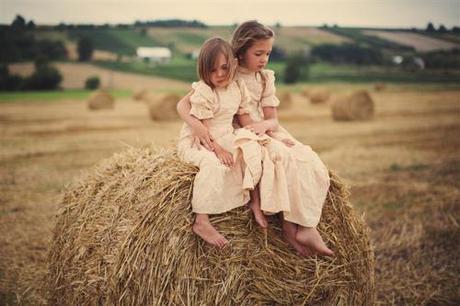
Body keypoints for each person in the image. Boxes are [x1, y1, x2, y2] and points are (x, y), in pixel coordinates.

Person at [177, 21, 333, 257]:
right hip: (230, 133)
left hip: (258, 129)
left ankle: (304, 225)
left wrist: (268, 134)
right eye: (259, 53)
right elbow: (183, 105)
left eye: (268, 53)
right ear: (240, 51)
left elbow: (268, 120)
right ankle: (285, 225)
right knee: (274, 157)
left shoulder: (259, 78)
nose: (264, 59)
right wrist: (198, 128)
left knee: (306, 160)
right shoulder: (225, 73)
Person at [177, 37, 263, 249]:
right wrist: (218, 149)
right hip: (202, 140)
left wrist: (260, 135)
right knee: (213, 165)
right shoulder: (204, 91)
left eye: (224, 68)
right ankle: (201, 220)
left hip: (227, 135)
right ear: (203, 70)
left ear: (233, 64)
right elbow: (205, 131)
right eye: (212, 70)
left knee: (252, 154)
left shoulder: (238, 87)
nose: (219, 75)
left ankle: (255, 202)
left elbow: (245, 118)